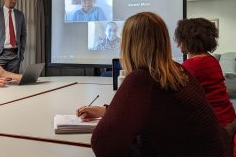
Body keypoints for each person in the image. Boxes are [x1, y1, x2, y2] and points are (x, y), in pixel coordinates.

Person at [76, 12, 233, 156]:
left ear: (128, 45)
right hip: (220, 147)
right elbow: (156, 107)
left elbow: (103, 145)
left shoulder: (142, 78)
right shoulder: (179, 71)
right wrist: (106, 111)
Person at [174, 17, 236, 154]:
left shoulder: (191, 65)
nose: (178, 44)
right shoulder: (211, 60)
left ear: (187, 39)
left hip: (216, 126)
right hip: (229, 119)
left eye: (180, 39)